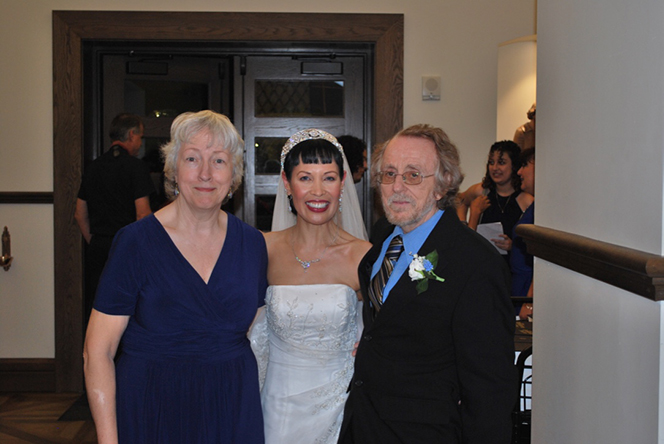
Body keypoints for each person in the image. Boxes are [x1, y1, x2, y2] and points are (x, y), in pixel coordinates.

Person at [83, 110, 267, 444]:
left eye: (219, 161)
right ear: (173, 168)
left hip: (232, 408)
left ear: (234, 173)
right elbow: (97, 352)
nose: (205, 173)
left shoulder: (252, 244)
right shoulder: (135, 242)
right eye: (192, 158)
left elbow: (263, 331)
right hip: (152, 409)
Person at [338, 124, 517, 443]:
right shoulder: (383, 236)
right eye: (389, 174)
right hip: (363, 423)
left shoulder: (475, 262)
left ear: (443, 184)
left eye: (413, 175)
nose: (397, 187)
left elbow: (490, 388)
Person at [249, 129, 371, 444]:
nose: (318, 191)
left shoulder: (363, 256)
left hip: (340, 407)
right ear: (287, 183)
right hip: (276, 408)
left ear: (342, 183)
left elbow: (386, 327)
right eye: (305, 178)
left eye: (329, 178)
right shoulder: (263, 249)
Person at [75, 113, 155, 327]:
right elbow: (142, 214)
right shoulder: (136, 167)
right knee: (129, 308)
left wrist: (95, 241)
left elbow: (79, 213)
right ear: (132, 134)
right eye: (140, 137)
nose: (140, 143)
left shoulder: (93, 167)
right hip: (128, 247)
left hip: (99, 247)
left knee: (99, 306)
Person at [456, 140, 533, 257]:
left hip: (509, 265)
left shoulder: (526, 200)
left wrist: (514, 246)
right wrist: (463, 224)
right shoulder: (482, 191)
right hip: (482, 261)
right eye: (491, 162)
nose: (495, 168)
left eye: (501, 163)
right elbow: (459, 200)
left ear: (514, 165)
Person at [512, 147, 535, 319]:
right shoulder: (535, 204)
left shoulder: (546, 207)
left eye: (525, 165)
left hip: (528, 289)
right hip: (519, 285)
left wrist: (530, 303)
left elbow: (543, 261)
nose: (519, 172)